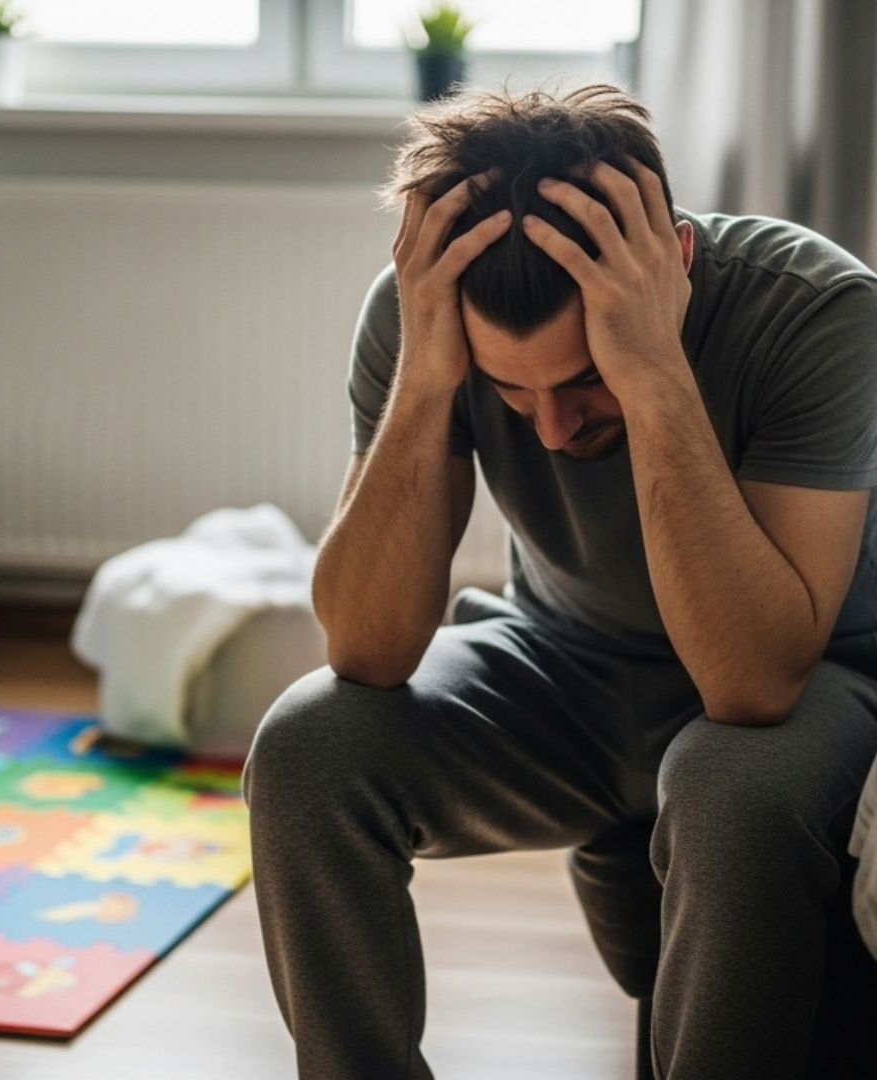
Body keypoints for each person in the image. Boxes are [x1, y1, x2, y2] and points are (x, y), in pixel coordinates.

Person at [243, 83, 877, 1080]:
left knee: (727, 782)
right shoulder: (422, 313)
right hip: (561, 665)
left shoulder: (817, 313)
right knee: (307, 748)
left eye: (582, 384)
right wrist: (427, 381)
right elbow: (367, 649)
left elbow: (753, 686)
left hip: (810, 688)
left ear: (671, 259)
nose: (549, 431)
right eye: (511, 392)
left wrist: (654, 377)